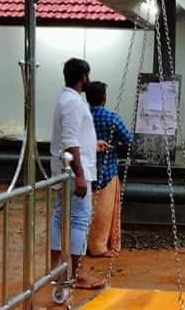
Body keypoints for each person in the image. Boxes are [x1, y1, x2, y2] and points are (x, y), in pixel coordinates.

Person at [50, 58, 107, 289]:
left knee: (60, 216)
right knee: (80, 220)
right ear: (83, 77)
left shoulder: (66, 100)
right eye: (88, 76)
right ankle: (78, 273)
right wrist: (80, 176)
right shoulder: (73, 103)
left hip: (69, 167)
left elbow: (75, 138)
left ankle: (55, 268)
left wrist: (93, 143)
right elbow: (70, 140)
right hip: (75, 170)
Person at [85, 81, 135, 258]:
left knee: (84, 212)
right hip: (107, 172)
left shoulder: (83, 117)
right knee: (105, 213)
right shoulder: (112, 118)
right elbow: (129, 139)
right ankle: (100, 247)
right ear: (104, 99)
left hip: (85, 172)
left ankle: (83, 246)